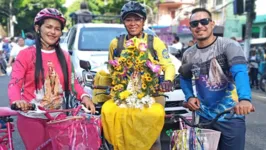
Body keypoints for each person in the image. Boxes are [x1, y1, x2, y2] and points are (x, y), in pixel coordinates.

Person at [8, 8, 95, 150]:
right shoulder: (26, 55)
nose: (53, 32)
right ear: (38, 28)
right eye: (48, 27)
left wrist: (85, 96)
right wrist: (17, 100)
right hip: (32, 116)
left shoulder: (65, 56)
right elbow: (14, 83)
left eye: (57, 29)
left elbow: (73, 84)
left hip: (58, 118)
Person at [102, 1, 175, 150]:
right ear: (123, 22)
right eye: (128, 19)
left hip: (152, 95)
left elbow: (169, 65)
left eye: (137, 19)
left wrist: (168, 80)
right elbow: (112, 69)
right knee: (121, 136)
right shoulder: (116, 44)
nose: (133, 23)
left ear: (143, 21)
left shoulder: (154, 42)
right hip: (125, 97)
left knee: (152, 139)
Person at [179, 8, 253, 150]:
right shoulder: (188, 54)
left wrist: (245, 99)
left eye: (204, 21)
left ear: (212, 24)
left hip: (231, 116)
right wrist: (189, 97)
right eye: (195, 24)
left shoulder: (229, 46)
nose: (199, 26)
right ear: (191, 29)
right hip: (204, 117)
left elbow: (240, 72)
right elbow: (184, 77)